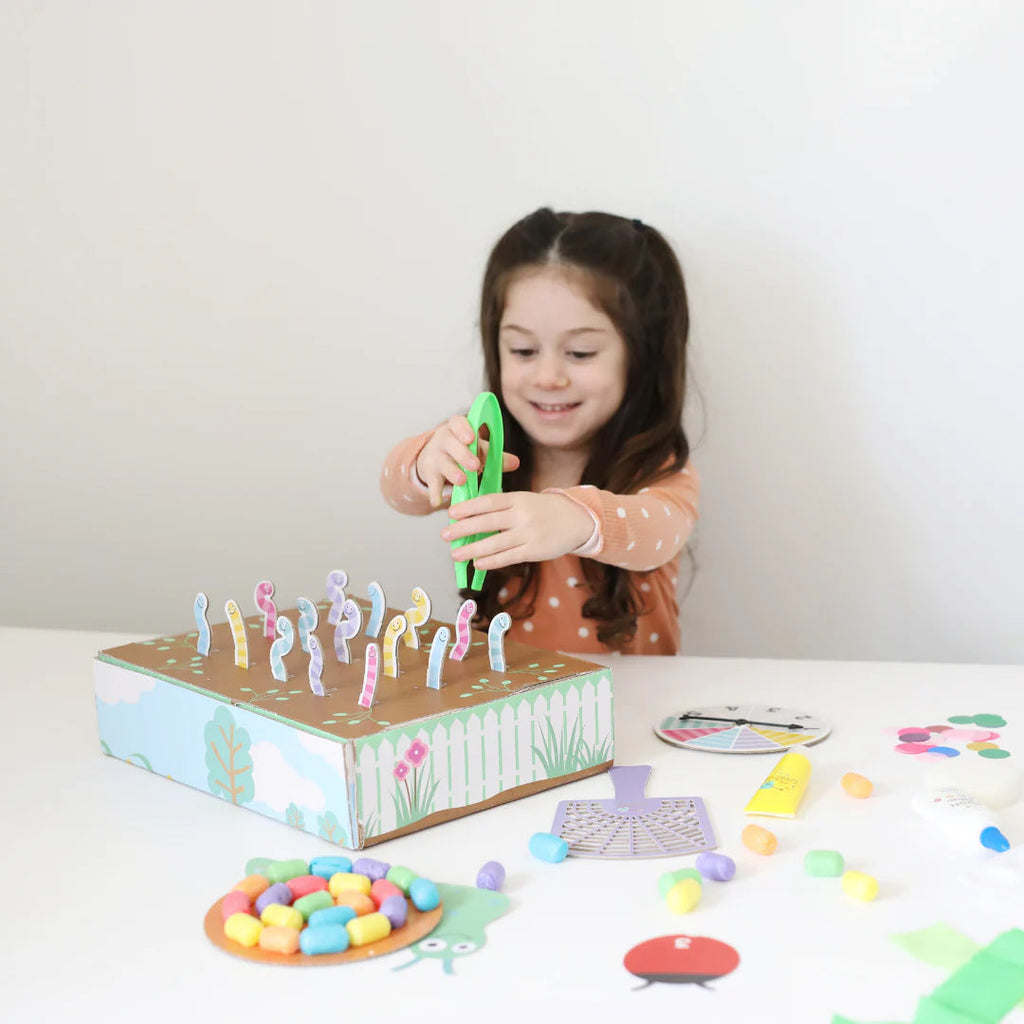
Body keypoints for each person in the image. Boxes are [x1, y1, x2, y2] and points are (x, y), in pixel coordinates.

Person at [380, 208, 698, 655]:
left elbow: (657, 535)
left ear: (641, 356)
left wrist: (576, 519)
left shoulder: (656, 466)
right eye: (523, 350)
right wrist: (424, 463)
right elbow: (397, 493)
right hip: (502, 692)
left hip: (631, 694)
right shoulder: (482, 448)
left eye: (580, 353)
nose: (548, 377)